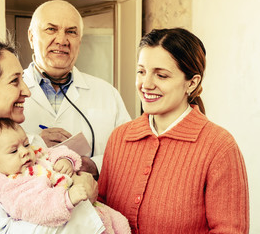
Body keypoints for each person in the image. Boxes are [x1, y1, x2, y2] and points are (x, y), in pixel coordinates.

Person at [0, 38, 103, 234]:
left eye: (23, 79)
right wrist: (80, 201)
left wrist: (77, 181)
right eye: (15, 81)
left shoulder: (31, 141)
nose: (26, 91)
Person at [98, 28, 249, 233]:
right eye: (141, 71)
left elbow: (230, 230)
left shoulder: (219, 147)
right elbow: (100, 214)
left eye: (161, 75)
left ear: (192, 83)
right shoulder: (120, 138)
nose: (146, 84)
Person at [21, 0, 131, 179]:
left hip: (92, 202)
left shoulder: (106, 93)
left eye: (71, 32)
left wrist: (95, 165)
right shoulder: (7, 91)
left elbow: (130, 151)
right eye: (51, 29)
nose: (62, 40)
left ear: (79, 41)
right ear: (32, 37)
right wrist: (35, 143)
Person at [0, 117, 131, 233]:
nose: (24, 152)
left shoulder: (35, 156)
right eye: (14, 151)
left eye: (26, 144)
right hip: (74, 217)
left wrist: (66, 160)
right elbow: (36, 208)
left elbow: (55, 151)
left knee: (121, 223)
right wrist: (66, 199)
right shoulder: (12, 188)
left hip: (96, 210)